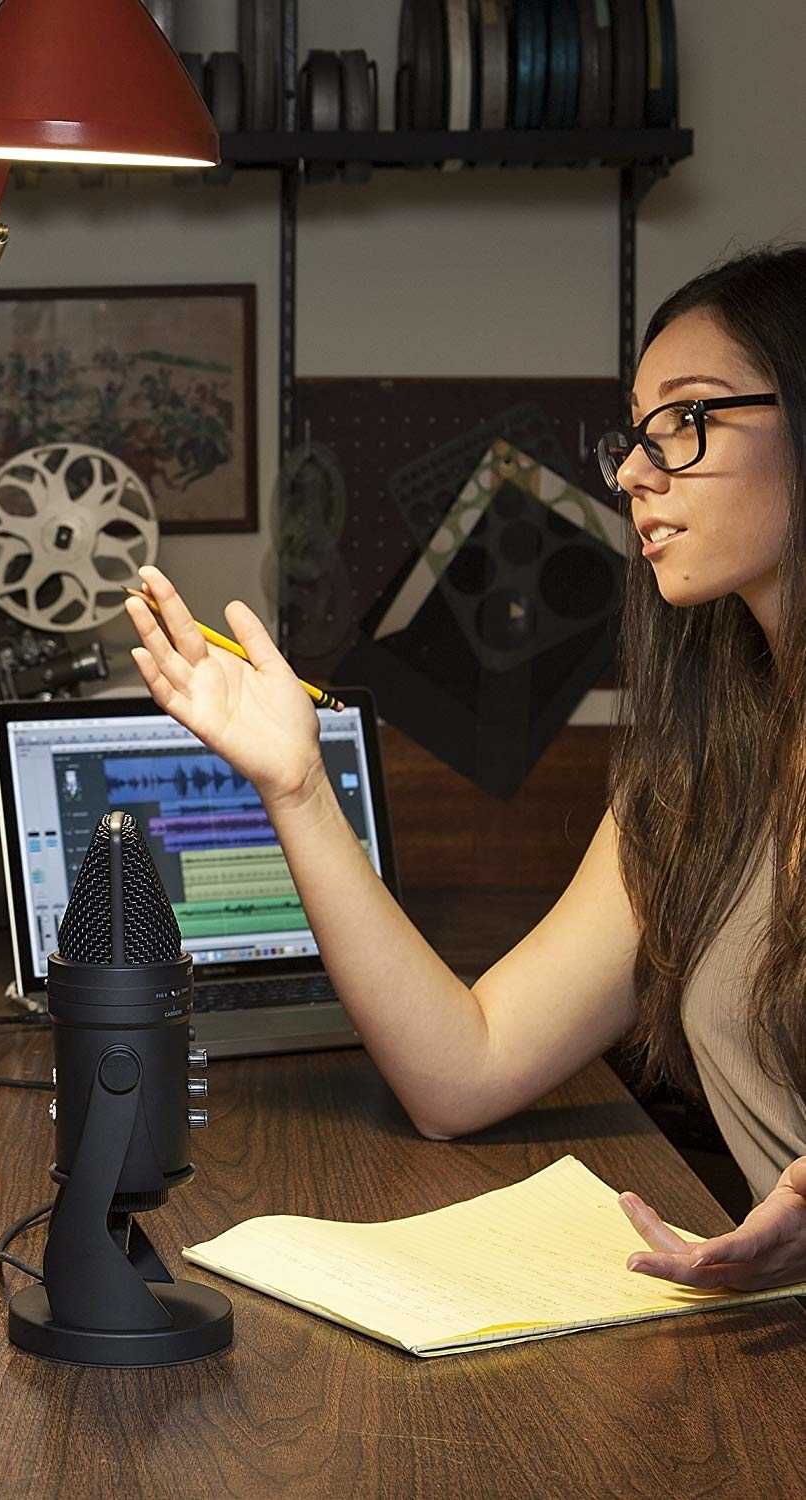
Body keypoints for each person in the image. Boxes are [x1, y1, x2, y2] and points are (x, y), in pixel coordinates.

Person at [127, 244, 806, 1295]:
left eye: (687, 418)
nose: (635, 471)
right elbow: (464, 1071)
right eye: (636, 433)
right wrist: (296, 786)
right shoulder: (695, 782)